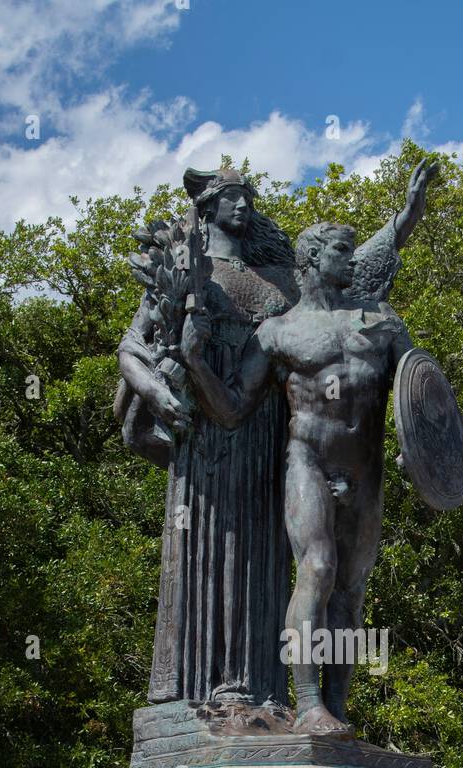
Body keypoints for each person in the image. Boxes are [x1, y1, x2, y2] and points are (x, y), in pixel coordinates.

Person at [115, 161, 438, 715]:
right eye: (233, 196)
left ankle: (277, 696)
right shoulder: (187, 267)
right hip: (214, 433)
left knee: (311, 579)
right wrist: (175, 378)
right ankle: (211, 693)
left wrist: (404, 221)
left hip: (267, 437)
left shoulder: (283, 282)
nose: (244, 205)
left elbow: (353, 277)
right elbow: (134, 347)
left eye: (249, 195)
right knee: (302, 568)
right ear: (208, 206)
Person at [181, 220, 414, 732]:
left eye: (353, 250)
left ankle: (337, 707)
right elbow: (234, 408)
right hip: (307, 461)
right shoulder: (278, 331)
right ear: (309, 258)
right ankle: (308, 704)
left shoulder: (383, 321)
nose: (351, 260)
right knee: (318, 567)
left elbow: (420, 391)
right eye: (340, 250)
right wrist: (196, 362)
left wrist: (416, 448)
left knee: (350, 592)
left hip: (366, 471)